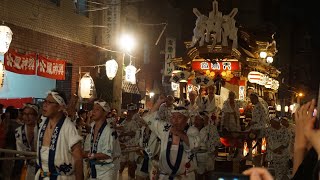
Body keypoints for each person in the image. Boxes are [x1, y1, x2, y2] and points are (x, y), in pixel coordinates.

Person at [143, 96, 200, 180]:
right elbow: (150, 119)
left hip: (185, 177)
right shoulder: (166, 128)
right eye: (173, 117)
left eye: (179, 117)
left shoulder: (192, 131)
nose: (175, 120)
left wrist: (179, 133)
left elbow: (195, 145)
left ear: (186, 119)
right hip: (165, 177)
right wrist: (159, 102)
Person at [35, 90, 84, 180]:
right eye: (45, 101)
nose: (45, 105)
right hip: (43, 175)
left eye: (49, 102)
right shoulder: (42, 124)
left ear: (60, 107)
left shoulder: (68, 127)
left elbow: (78, 158)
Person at [84, 100, 120, 180]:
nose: (93, 112)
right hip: (94, 169)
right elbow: (87, 148)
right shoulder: (92, 127)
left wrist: (90, 155)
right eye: (93, 109)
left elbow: (107, 154)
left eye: (97, 110)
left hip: (106, 171)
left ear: (105, 113)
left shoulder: (109, 130)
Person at [15, 103, 39, 180]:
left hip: (42, 166)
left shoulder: (43, 129)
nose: (26, 117)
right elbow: (20, 152)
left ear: (36, 116)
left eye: (30, 114)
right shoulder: (18, 131)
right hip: (28, 166)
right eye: (24, 114)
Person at [193, 111, 221, 180]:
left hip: (209, 154)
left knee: (209, 173)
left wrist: (216, 150)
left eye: (197, 119)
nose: (195, 121)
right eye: (195, 119)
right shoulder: (192, 129)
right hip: (197, 155)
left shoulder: (212, 128)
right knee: (198, 174)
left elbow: (217, 140)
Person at [118, 103, 140, 179]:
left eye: (131, 111)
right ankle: (120, 176)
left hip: (132, 145)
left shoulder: (136, 120)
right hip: (124, 145)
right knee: (122, 163)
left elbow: (135, 132)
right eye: (129, 111)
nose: (129, 113)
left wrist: (124, 134)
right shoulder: (124, 121)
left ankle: (131, 178)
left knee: (131, 163)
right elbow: (120, 130)